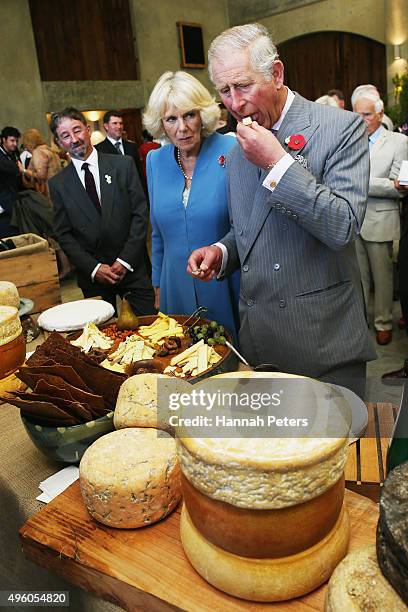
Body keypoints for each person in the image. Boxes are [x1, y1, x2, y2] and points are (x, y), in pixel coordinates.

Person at [187, 23, 376, 398]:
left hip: (323, 344)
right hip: (260, 346)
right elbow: (253, 227)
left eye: (243, 86)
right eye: (224, 90)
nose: (235, 102)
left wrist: (278, 163)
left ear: (276, 73)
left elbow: (342, 226)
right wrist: (223, 252)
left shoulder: (340, 128)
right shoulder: (240, 140)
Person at [143, 71, 239, 336]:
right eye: (171, 119)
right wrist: (158, 288)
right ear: (161, 124)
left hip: (224, 280)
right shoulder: (155, 161)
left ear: (202, 115)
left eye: (189, 115)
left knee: (228, 365)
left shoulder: (231, 151)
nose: (182, 128)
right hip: (174, 284)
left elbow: (245, 226)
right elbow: (157, 233)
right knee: (180, 364)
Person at [49, 107, 155, 315]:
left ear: (88, 130)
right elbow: (64, 234)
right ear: (59, 143)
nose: (74, 139)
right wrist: (95, 268)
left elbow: (140, 213)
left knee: (149, 332)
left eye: (77, 130)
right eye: (65, 136)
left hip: (132, 267)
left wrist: (124, 260)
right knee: (103, 343)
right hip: (93, 278)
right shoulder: (58, 184)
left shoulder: (122, 166)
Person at [353, 93, 407, 346]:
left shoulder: (397, 141)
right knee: (358, 278)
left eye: (367, 114)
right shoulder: (351, 140)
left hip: (381, 220)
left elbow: (399, 186)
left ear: (380, 113)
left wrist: (358, 183)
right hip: (353, 221)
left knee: (383, 278)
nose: (361, 120)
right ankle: (360, 324)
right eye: (358, 114)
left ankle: (383, 322)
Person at [95, 110, 146, 194]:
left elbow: (139, 174)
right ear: (106, 126)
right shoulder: (99, 149)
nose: (119, 127)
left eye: (121, 123)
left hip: (134, 194)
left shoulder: (132, 147)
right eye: (115, 123)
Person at [0, 126, 23, 237]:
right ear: (4, 140)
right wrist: (18, 168)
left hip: (13, 197)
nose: (14, 144)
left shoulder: (14, 153)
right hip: (3, 200)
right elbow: (14, 168)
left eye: (16, 141)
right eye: (12, 140)